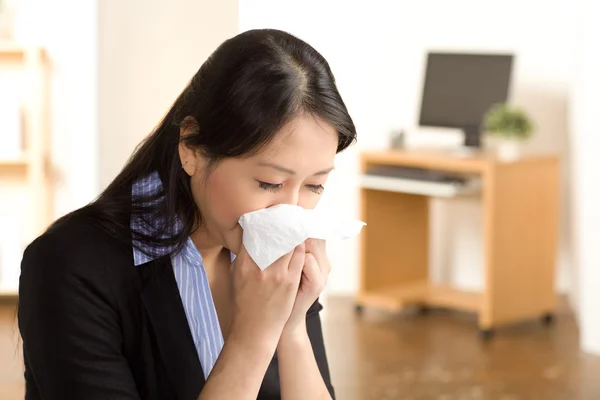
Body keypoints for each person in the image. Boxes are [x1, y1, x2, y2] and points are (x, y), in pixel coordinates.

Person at [17, 28, 356, 400]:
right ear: (191, 147)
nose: (291, 214)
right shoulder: (69, 266)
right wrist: (252, 338)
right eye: (270, 183)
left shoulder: (279, 262)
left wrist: (291, 328)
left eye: (314, 186)